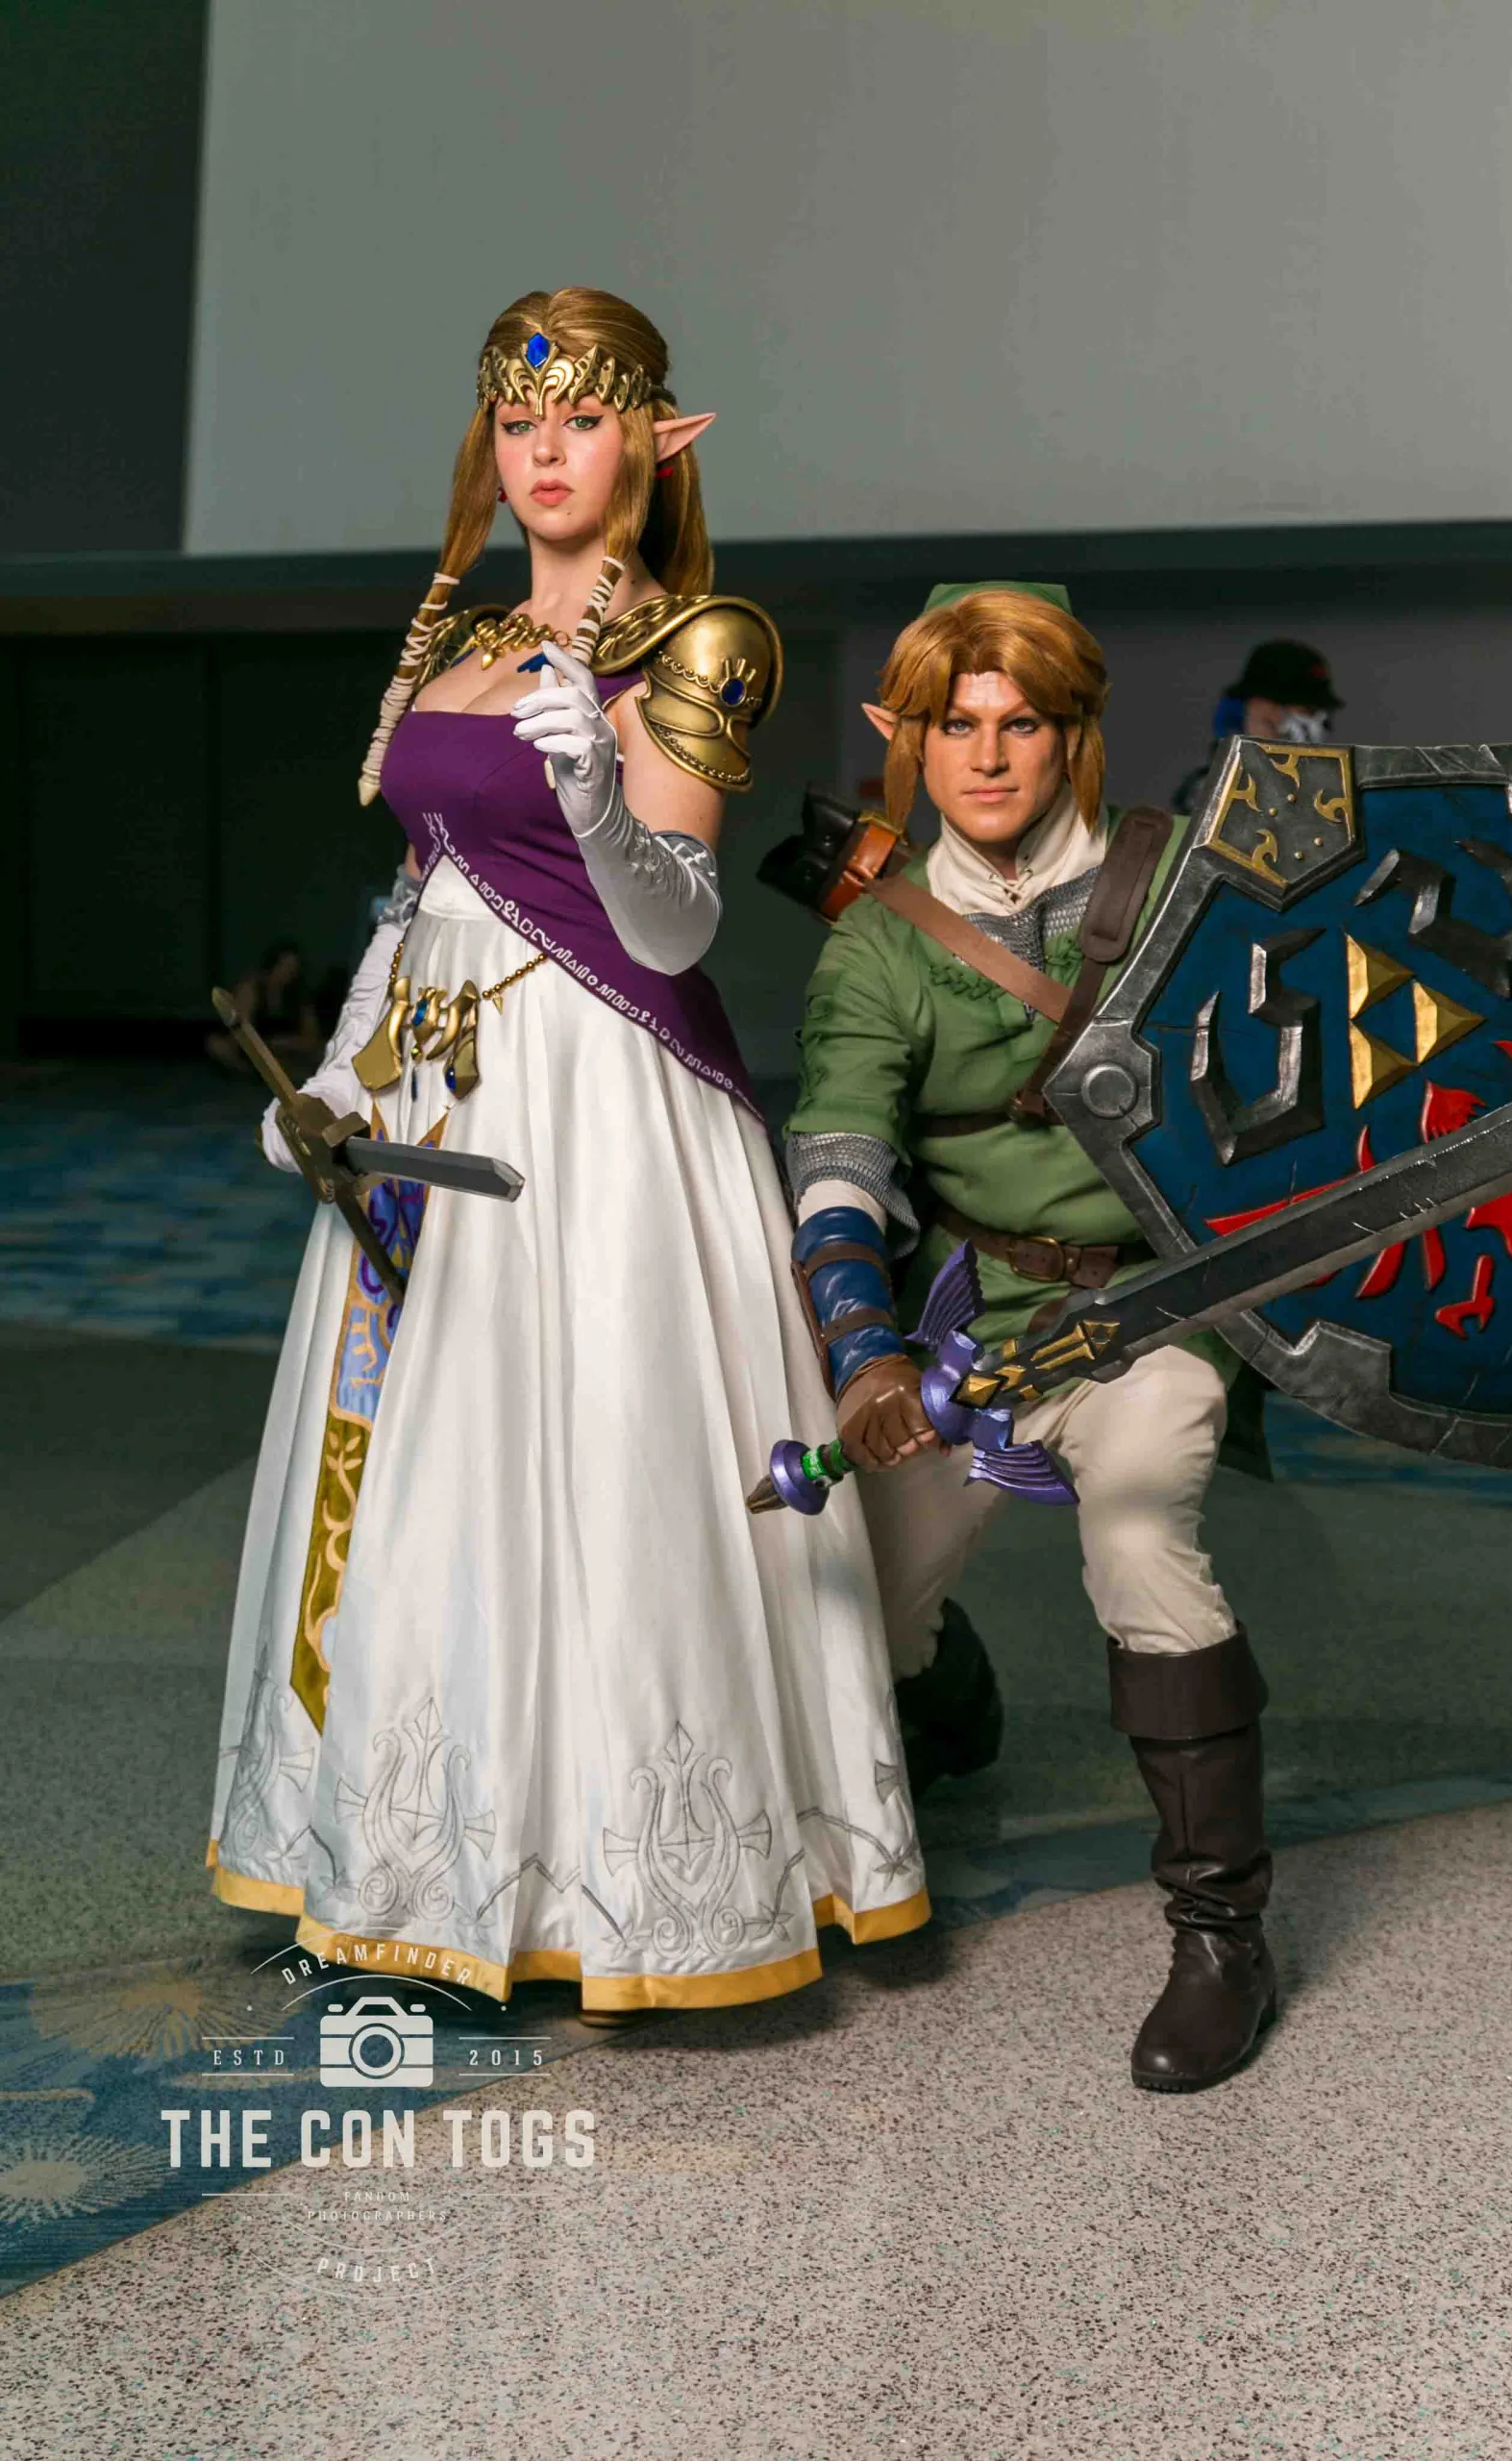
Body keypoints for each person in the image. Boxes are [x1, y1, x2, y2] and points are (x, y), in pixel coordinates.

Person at [209, 288, 928, 2014]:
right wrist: (339, 1077)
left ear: (655, 442)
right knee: (419, 1463)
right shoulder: (460, 639)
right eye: (518, 419)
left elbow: (674, 933)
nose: (545, 449)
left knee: (590, 1457)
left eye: (583, 418)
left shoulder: (696, 640)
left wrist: (601, 797)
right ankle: (410, 1870)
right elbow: (418, 891)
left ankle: (618, 1893)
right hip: (429, 1092)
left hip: (603, 1099)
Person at [783, 583, 1273, 2094]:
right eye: (954, 727)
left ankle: (1219, 1934)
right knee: (863, 1595)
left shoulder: (1183, 885)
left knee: (1134, 1534)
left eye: (1018, 725)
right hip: (966, 1326)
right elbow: (840, 1153)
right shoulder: (876, 948)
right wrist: (863, 1352)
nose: (985, 759)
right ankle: (949, 1699)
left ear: (1071, 735)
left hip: (1151, 1308)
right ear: (911, 742)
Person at [1171, 636, 1343, 815]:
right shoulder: (1210, 791)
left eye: (1314, 711)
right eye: (1304, 709)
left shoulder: (1328, 790)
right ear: (1253, 706)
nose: (1311, 722)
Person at [206, 941, 321, 1078]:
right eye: (283, 966)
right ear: (272, 965)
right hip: (256, 1050)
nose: (287, 973)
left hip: (287, 1048)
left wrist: (285, 1043)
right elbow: (241, 1031)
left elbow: (311, 1036)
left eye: (292, 969)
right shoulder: (251, 988)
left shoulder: (298, 993)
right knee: (217, 1046)